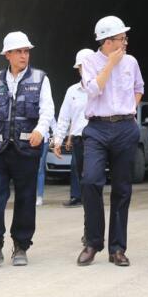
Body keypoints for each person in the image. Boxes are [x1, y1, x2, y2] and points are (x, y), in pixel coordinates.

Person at [0, 31, 55, 268]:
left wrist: (40, 130)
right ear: (7, 54)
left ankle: (21, 246)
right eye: (19, 51)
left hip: (26, 148)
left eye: (26, 51)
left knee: (26, 197)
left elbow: (47, 108)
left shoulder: (40, 78)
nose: (24, 55)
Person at [77, 15, 145, 267]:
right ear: (107, 42)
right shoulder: (89, 60)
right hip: (97, 127)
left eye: (125, 38)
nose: (125, 42)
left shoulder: (131, 62)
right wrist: (110, 65)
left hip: (125, 127)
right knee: (91, 180)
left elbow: (139, 88)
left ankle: (117, 248)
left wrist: (129, 109)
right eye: (121, 38)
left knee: (122, 188)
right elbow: (93, 90)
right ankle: (93, 242)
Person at [52, 50, 91, 207]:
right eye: (82, 67)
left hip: (97, 137)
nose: (86, 70)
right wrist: (58, 140)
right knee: (76, 167)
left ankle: (91, 197)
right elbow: (64, 117)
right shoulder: (72, 91)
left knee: (93, 171)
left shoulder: (102, 88)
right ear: (78, 69)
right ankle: (76, 196)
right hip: (78, 137)